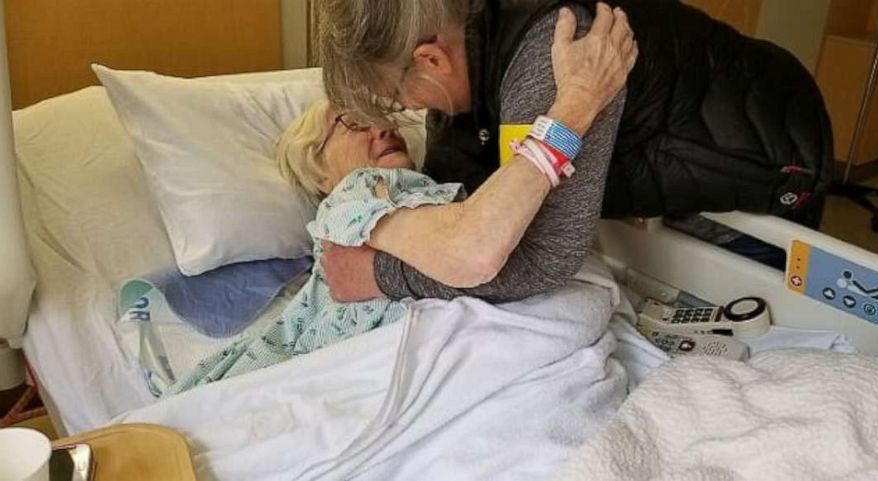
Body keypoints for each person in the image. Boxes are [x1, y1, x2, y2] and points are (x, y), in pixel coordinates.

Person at [163, 15, 635, 394]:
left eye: (380, 116)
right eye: (351, 122)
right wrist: (575, 104)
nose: (381, 127)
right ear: (320, 174)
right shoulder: (353, 200)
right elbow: (476, 251)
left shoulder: (432, 191)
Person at [315, 0, 832, 304]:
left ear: (430, 59)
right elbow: (457, 199)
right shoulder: (467, 60)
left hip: (757, 149)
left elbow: (542, 259)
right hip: (674, 132)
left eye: (396, 98)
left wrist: (379, 275)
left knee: (760, 305)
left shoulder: (556, 57)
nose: (401, 113)